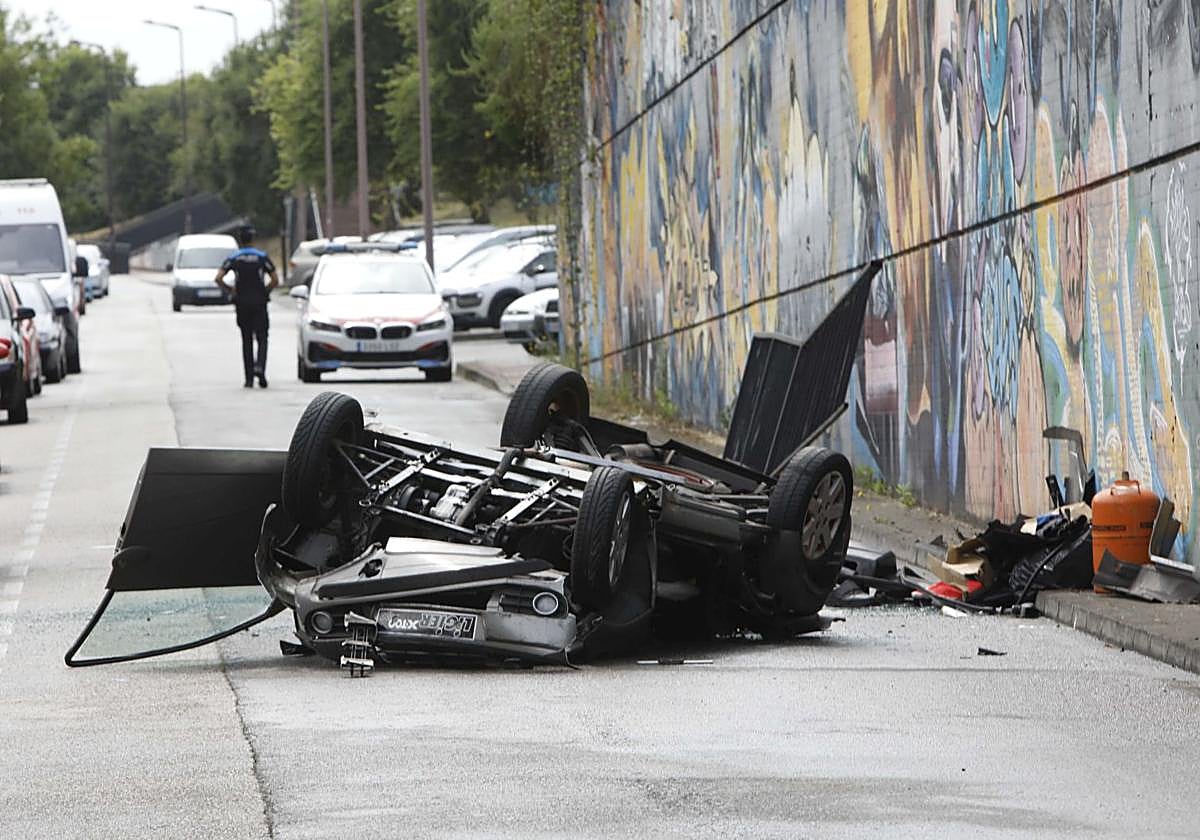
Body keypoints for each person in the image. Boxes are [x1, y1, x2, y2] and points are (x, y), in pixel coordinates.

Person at [214, 226, 278, 388]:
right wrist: (265, 291)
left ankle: (249, 378)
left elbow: (219, 278)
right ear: (252, 239)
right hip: (259, 303)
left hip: (242, 303)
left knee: (246, 339)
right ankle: (260, 368)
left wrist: (231, 291)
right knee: (262, 338)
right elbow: (275, 279)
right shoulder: (261, 256)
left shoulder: (234, 258)